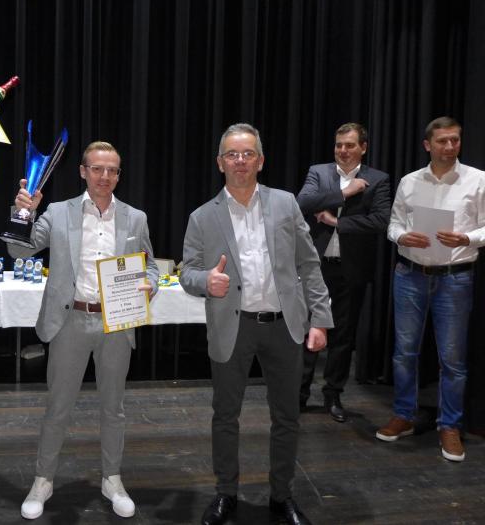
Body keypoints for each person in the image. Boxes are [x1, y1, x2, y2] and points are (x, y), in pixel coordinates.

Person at [181, 123, 333, 525]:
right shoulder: (202, 217)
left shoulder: (285, 204)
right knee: (225, 415)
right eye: (232, 154)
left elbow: (309, 264)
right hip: (233, 327)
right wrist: (205, 281)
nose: (240, 161)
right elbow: (186, 271)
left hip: (284, 326)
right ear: (220, 163)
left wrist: (320, 319)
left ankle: (282, 496)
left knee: (287, 416)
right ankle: (225, 493)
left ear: (261, 161)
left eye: (248, 153)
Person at [7, 141, 158, 520]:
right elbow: (19, 252)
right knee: (58, 407)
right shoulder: (58, 212)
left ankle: (112, 479)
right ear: (83, 171)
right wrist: (23, 212)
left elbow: (151, 266)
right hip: (69, 321)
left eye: (112, 170)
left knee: (114, 408)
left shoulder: (135, 218)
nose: (104, 176)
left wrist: (150, 284)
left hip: (116, 320)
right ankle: (43, 480)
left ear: (119, 175)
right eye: (97, 169)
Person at [377, 116, 485, 462]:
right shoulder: (410, 182)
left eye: (455, 140)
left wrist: (467, 238)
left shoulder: (478, 180)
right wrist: (401, 236)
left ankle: (449, 425)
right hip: (410, 274)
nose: (450, 146)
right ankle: (404, 414)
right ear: (428, 145)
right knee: (404, 352)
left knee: (452, 358)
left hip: (455, 277)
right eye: (442, 141)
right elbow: (393, 224)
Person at [296, 123, 391, 422]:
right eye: (339, 145)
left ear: (363, 147)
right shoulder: (319, 172)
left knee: (343, 335)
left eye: (350, 145)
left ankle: (333, 394)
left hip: (352, 268)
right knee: (307, 330)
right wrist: (344, 192)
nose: (343, 150)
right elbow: (303, 202)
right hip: (316, 266)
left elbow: (381, 221)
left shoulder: (378, 179)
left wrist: (338, 222)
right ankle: (298, 393)